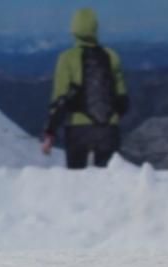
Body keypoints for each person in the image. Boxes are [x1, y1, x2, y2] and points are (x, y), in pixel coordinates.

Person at [40, 8, 128, 169]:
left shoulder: (67, 58)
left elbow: (60, 100)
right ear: (95, 29)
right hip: (108, 128)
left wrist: (50, 132)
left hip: (77, 129)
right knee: (107, 181)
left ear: (74, 30)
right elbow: (123, 102)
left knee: (77, 181)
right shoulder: (112, 56)